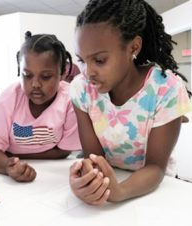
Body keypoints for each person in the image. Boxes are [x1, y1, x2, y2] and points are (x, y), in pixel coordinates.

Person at [69, 0, 192, 206]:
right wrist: (87, 180)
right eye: (82, 60)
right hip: (111, 179)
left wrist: (120, 191)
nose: (88, 72)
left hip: (156, 190)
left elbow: (155, 167)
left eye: (99, 60)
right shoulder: (81, 89)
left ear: (133, 47)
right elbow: (94, 156)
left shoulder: (166, 89)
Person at [0, 31, 81, 182]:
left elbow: (63, 151)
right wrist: (8, 166)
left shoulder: (71, 100)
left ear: (62, 73)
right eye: (27, 75)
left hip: (54, 175)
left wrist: (13, 156)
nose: (35, 84)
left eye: (46, 76)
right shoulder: (5, 100)